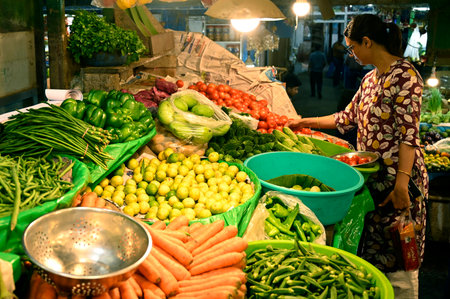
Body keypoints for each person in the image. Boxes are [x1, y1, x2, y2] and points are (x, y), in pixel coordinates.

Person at [287, 14, 428, 299]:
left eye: (353, 47)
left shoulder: (406, 76)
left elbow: (409, 136)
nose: (351, 54)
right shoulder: (370, 78)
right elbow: (346, 118)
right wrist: (307, 122)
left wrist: (401, 185)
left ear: (367, 42)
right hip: (373, 181)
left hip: (400, 181)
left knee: (400, 251)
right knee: (375, 250)